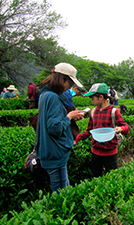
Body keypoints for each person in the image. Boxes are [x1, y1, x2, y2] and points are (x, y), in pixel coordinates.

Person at [36, 62, 84, 193]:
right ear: (62, 79)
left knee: (62, 187)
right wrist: (69, 117)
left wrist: (71, 116)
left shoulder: (44, 95)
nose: (70, 87)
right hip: (55, 153)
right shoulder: (52, 97)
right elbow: (55, 128)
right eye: (70, 83)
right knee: (61, 192)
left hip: (50, 152)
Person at [74, 83, 130, 178]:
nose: (91, 101)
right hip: (95, 151)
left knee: (111, 177)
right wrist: (77, 139)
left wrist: (121, 129)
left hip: (110, 151)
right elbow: (89, 130)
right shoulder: (93, 112)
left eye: (92, 98)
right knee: (96, 176)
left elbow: (126, 127)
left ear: (100, 97)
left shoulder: (113, 111)